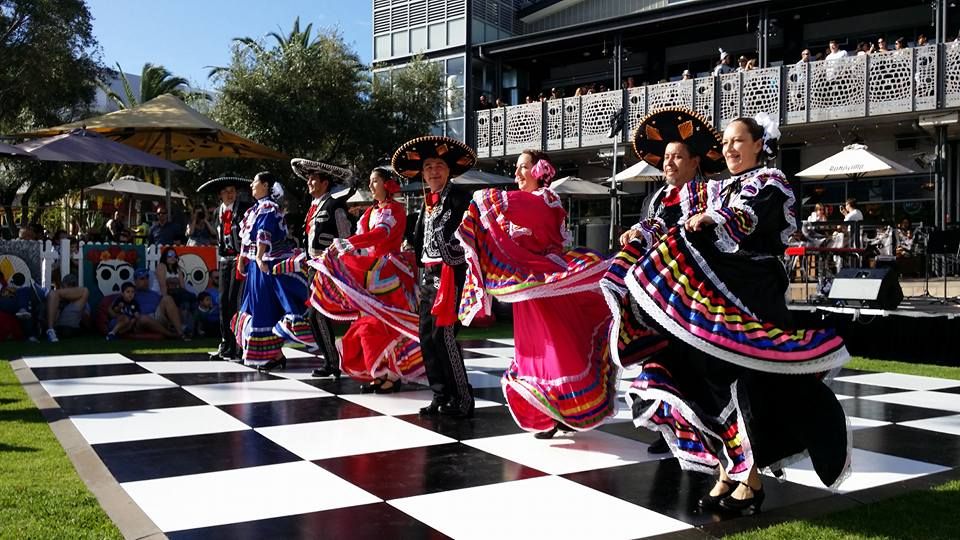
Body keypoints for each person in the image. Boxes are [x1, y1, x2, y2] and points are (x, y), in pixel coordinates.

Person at [613, 111, 851, 514]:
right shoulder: (715, 188)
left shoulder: (770, 181)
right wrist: (644, 232)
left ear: (759, 145)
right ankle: (730, 469)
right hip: (718, 298)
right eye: (724, 143)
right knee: (705, 381)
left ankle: (750, 478)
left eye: (738, 140)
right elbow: (674, 215)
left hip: (754, 296)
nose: (729, 148)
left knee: (746, 385)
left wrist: (716, 217)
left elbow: (749, 216)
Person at [455, 150, 616, 438]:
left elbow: (524, 215)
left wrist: (486, 202)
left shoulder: (545, 200)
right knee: (535, 350)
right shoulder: (527, 204)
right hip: (529, 287)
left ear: (540, 172)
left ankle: (563, 410)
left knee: (555, 350)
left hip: (547, 286)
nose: (517, 174)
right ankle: (549, 411)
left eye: (524, 167)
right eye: (517, 168)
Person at [607, 108, 728, 453]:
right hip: (657, 295)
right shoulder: (655, 199)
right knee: (658, 361)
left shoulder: (709, 195)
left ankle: (702, 433)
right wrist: (636, 231)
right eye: (666, 157)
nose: (669, 163)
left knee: (692, 367)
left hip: (693, 296)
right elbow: (650, 233)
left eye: (677, 157)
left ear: (694, 162)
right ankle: (669, 431)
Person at [309, 167, 424, 392]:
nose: (371, 186)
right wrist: (340, 251)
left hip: (390, 273)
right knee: (369, 324)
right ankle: (379, 371)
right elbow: (359, 237)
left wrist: (348, 244)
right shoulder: (370, 212)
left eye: (375, 181)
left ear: (387, 185)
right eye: (370, 182)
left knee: (388, 324)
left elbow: (381, 234)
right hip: (371, 274)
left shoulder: (395, 210)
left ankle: (392, 374)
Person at [394, 135, 477, 418]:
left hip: (452, 277)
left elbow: (469, 239)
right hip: (429, 279)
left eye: (439, 165)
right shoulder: (424, 205)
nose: (433, 171)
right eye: (428, 166)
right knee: (427, 338)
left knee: (446, 338)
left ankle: (463, 398)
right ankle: (441, 395)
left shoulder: (461, 199)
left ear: (449, 170)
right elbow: (420, 248)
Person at [231, 171, 316, 370]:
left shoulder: (268, 207)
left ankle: (273, 354)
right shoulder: (256, 208)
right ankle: (273, 354)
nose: (252, 185)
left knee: (264, 307)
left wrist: (259, 257)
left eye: (255, 182)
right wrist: (244, 257)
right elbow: (249, 238)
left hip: (266, 265)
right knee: (258, 307)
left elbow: (264, 233)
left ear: (266, 185)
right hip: (256, 265)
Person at [291, 158, 354, 379]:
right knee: (314, 317)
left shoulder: (334, 205)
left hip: (326, 268)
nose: (309, 182)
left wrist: (339, 264)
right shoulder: (313, 206)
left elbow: (345, 236)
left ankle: (333, 362)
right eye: (308, 179)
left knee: (316, 315)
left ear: (325, 183)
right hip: (312, 267)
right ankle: (330, 361)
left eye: (313, 179)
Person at [198, 176, 252, 361]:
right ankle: (225, 344)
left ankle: (238, 346)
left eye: (232, 191)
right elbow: (218, 233)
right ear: (220, 194)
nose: (230, 195)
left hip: (239, 260)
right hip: (224, 260)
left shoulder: (244, 209)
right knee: (223, 303)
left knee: (235, 302)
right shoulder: (218, 212)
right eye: (226, 192)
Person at [132, 269, 188, 339]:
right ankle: (170, 334)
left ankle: (181, 333)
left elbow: (168, 307)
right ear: (135, 281)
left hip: (156, 317)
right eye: (142, 279)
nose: (145, 281)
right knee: (143, 318)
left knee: (167, 298)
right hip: (142, 321)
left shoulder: (154, 294)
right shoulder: (131, 293)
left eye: (147, 277)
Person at [44, 273, 89, 342]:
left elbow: (87, 323)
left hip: (71, 328)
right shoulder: (55, 299)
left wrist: (83, 315)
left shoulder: (83, 302)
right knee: (53, 294)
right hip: (58, 328)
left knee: (85, 291)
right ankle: (51, 331)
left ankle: (52, 331)